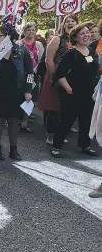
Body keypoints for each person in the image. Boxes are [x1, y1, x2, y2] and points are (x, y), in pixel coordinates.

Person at [51, 23, 99, 158]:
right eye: (82, 33)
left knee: (86, 120)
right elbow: (59, 74)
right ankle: (56, 146)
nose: (86, 35)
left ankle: (85, 145)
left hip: (88, 94)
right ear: (75, 37)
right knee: (67, 120)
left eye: (87, 32)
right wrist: (69, 89)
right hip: (72, 94)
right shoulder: (71, 53)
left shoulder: (91, 51)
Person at [0, 23, 33, 161]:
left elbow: (30, 73)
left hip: (16, 92)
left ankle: (13, 149)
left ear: (8, 37)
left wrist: (28, 90)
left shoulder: (21, 51)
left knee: (14, 121)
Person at [39, 15, 78, 145]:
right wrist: (53, 77)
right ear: (63, 25)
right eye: (68, 21)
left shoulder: (77, 42)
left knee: (65, 108)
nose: (70, 23)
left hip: (71, 78)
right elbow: (48, 60)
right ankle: (50, 135)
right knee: (54, 107)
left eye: (73, 21)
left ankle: (59, 134)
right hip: (55, 76)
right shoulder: (57, 39)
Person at [17, 22, 44, 133]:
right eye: (28, 30)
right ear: (24, 31)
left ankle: (25, 122)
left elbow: (41, 59)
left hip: (33, 75)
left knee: (30, 98)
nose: (31, 32)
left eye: (33, 30)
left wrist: (35, 69)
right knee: (19, 96)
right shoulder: (19, 43)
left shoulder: (39, 45)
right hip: (21, 75)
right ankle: (16, 118)